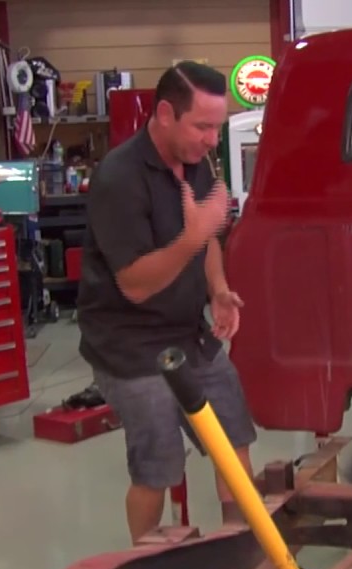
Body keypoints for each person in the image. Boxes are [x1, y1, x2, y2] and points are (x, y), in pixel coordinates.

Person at [76, 61, 258, 542]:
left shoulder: (197, 163)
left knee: (233, 442)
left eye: (217, 127)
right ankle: (146, 565)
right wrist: (193, 235)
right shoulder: (119, 178)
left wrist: (218, 291)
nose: (211, 140)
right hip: (127, 344)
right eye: (202, 126)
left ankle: (242, 550)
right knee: (158, 464)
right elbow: (136, 285)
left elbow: (209, 239)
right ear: (163, 115)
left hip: (186, 334)